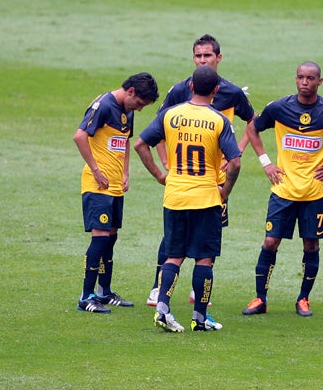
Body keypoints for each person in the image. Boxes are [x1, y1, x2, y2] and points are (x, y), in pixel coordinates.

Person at [242, 61, 323, 317]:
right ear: (295, 79)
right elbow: (252, 127)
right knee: (270, 241)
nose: (304, 82)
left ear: (320, 81)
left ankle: (303, 299)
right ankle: (260, 298)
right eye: (300, 77)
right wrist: (266, 163)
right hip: (283, 190)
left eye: (310, 78)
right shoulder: (279, 108)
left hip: (314, 193)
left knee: (310, 245)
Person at [145, 34, 256, 307]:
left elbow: (253, 122)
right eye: (198, 56)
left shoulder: (232, 92)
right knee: (173, 237)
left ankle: (197, 292)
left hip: (216, 178)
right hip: (186, 178)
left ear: (219, 57)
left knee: (211, 235)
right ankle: (159, 288)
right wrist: (166, 163)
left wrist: (236, 152)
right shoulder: (179, 90)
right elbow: (157, 129)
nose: (202, 60)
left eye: (207, 55)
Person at [134, 65, 241, 332]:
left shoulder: (170, 115)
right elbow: (235, 162)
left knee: (173, 256)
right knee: (204, 259)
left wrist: (159, 175)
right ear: (216, 90)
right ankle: (199, 318)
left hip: (175, 197)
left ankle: (162, 310)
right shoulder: (219, 120)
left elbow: (140, 144)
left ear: (191, 86)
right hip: (206, 198)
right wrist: (225, 192)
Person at [73, 72, 159, 313]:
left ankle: (104, 292)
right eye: (139, 103)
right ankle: (85, 297)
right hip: (97, 185)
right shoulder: (103, 105)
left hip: (115, 186)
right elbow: (79, 136)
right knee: (100, 238)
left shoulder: (127, 110)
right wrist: (96, 170)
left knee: (110, 239)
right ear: (130, 92)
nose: (139, 109)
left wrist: (125, 173)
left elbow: (125, 140)